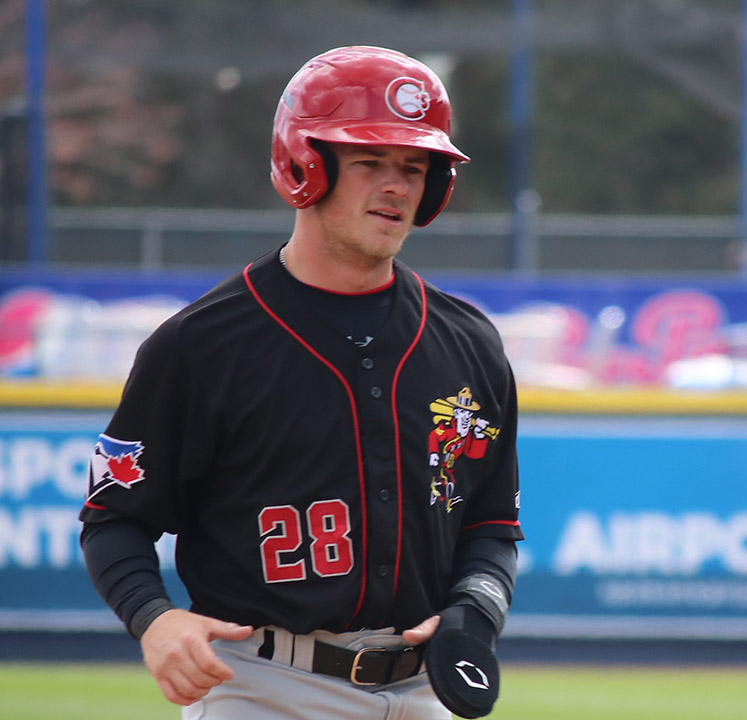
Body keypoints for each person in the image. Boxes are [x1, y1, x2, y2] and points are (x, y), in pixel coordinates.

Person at [79, 45, 523, 720]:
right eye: (371, 161)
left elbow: (492, 526)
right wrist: (153, 618)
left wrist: (475, 612)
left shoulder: (468, 343)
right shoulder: (201, 345)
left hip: (423, 688)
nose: (398, 186)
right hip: (263, 685)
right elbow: (112, 520)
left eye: (414, 166)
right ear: (304, 163)